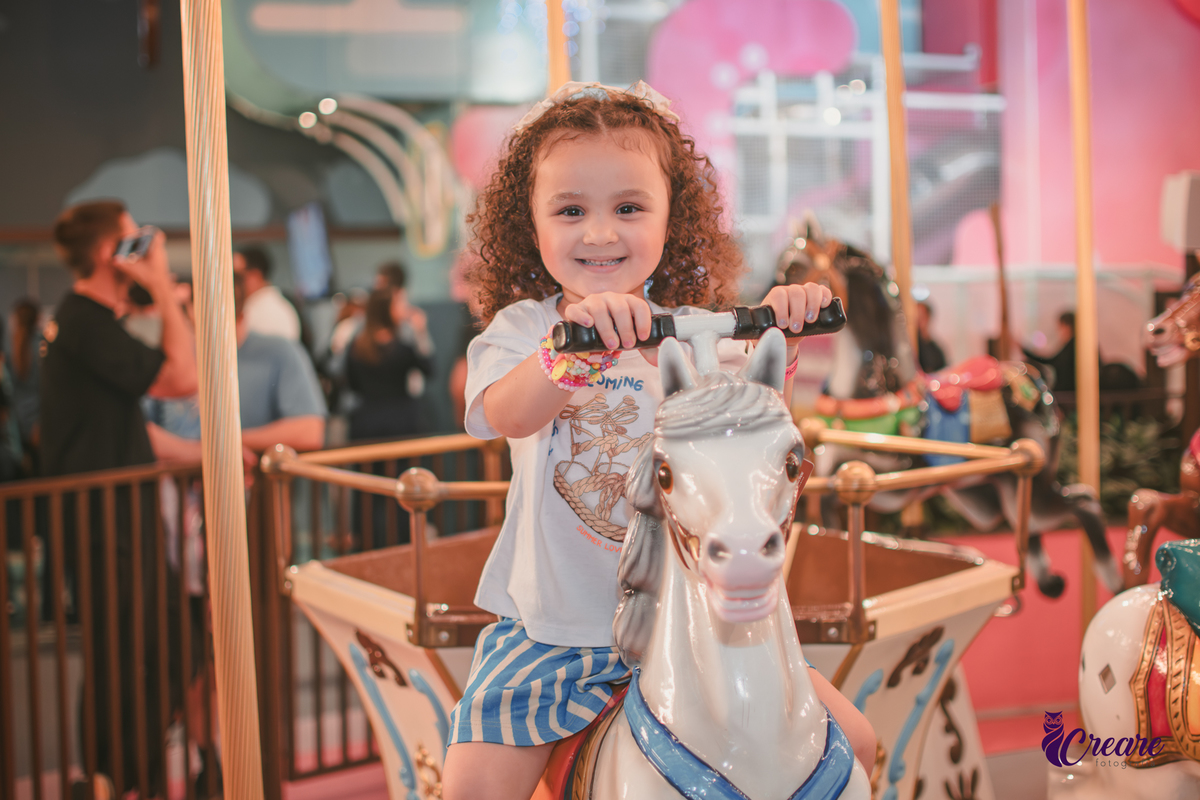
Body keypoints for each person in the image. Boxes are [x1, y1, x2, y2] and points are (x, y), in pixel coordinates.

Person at [442, 81, 874, 800]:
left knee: (856, 743)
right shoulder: (526, 330)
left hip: (696, 629)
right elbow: (508, 413)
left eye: (629, 208)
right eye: (572, 210)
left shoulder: (702, 338)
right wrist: (571, 351)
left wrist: (783, 335)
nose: (601, 233)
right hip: (562, 633)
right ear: (534, 223)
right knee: (471, 789)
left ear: (672, 218)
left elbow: (758, 437)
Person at [42, 199, 198, 798]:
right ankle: (114, 776)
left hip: (122, 513)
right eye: (135, 243)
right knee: (118, 653)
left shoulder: (90, 323)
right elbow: (182, 380)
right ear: (113, 254)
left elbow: (134, 424)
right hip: (103, 519)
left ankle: (125, 769)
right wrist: (159, 285)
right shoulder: (83, 320)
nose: (146, 252)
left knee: (165, 645)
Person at [346, 288, 433, 440]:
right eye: (398, 305)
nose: (404, 309)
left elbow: (352, 384)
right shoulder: (403, 349)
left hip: (366, 423)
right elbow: (429, 369)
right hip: (401, 423)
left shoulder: (355, 346)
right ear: (387, 310)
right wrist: (421, 332)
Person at [233, 244, 301, 342]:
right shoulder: (285, 307)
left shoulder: (251, 314)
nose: (231, 282)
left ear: (255, 276)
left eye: (236, 276)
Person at [1023, 310, 1077, 392]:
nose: (1058, 331)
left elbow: (1052, 360)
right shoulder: (1073, 344)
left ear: (1067, 326)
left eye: (1060, 327)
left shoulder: (1074, 345)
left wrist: (1024, 350)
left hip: (1069, 394)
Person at [916, 300, 947, 373]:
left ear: (928, 318)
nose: (918, 320)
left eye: (921, 317)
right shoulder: (912, 346)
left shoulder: (936, 349)